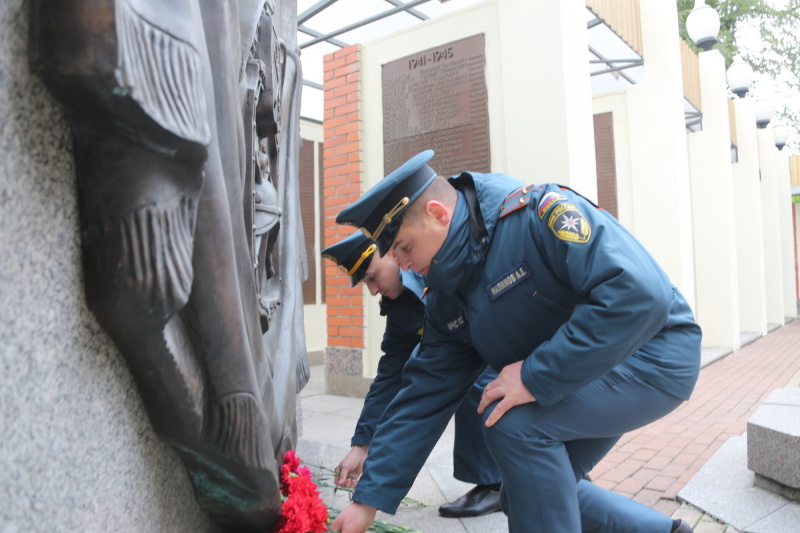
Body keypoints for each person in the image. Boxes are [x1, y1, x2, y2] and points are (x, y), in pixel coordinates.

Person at [329, 150, 700, 533]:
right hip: (588, 371)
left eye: (405, 247)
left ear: (438, 215)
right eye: (394, 254)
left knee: (514, 425)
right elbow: (424, 391)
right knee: (525, 490)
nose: (403, 264)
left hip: (650, 352)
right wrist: (366, 502)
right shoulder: (445, 293)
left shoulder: (536, 216)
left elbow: (638, 296)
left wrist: (534, 376)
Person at [321, 230, 503, 518]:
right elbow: (391, 375)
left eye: (371, 277)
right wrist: (362, 444)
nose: (372, 290)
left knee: (475, 380)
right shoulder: (399, 306)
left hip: (505, 351)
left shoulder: (439, 274)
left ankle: (494, 483)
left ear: (391, 254)